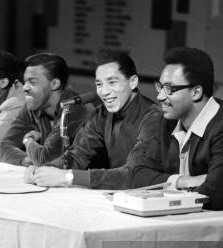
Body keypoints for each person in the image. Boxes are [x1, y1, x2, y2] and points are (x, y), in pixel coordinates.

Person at [130, 47, 223, 241]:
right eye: (160, 87)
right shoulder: (166, 122)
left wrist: (165, 188)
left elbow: (213, 198)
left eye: (169, 89)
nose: (159, 97)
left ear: (196, 92)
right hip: (189, 234)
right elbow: (137, 174)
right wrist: (182, 181)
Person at [26, 51, 162, 190]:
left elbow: (134, 175)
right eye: (99, 84)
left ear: (133, 82)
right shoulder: (102, 113)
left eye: (112, 82)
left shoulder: (153, 117)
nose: (104, 91)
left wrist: (68, 177)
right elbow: (77, 155)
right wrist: (43, 170)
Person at [0, 53, 89, 166]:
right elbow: (2, 147)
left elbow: (45, 159)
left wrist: (27, 141)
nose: (25, 87)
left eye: (32, 82)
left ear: (54, 84)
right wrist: (26, 160)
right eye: (25, 82)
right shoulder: (34, 103)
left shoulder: (74, 108)